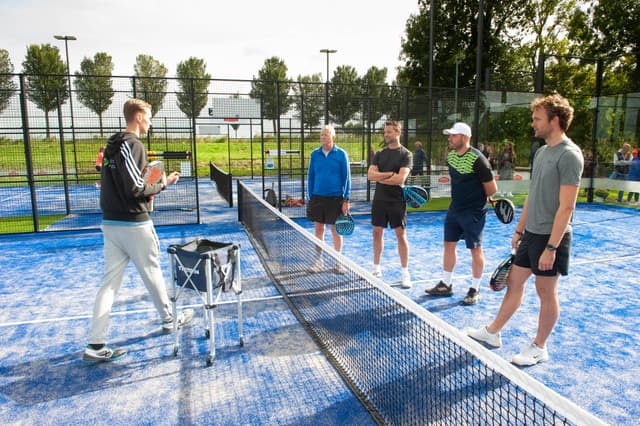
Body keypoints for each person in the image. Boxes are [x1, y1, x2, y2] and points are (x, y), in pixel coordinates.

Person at [464, 94, 584, 366]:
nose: (533, 123)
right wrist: (520, 229)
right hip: (531, 234)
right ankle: (493, 333)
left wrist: (552, 247)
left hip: (552, 236)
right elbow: (533, 193)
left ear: (555, 120)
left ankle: (539, 346)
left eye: (537, 118)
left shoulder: (569, 155)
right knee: (514, 284)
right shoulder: (541, 152)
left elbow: (566, 207)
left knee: (546, 291)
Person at [83, 99, 193, 363]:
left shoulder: (112, 147)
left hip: (110, 223)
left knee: (108, 285)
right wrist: (163, 183)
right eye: (149, 117)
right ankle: (169, 319)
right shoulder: (133, 145)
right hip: (133, 224)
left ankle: (95, 344)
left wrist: (152, 185)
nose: (151, 122)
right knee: (152, 272)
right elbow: (136, 188)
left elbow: (127, 182)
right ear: (140, 116)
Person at [425, 122, 497, 305]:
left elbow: (491, 190)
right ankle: (446, 284)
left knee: (475, 250)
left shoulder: (478, 159)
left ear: (464, 138)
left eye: (454, 135)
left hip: (473, 212)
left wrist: (480, 198)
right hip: (455, 209)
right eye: (450, 135)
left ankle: (475, 288)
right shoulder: (451, 157)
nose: (450, 138)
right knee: (448, 245)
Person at [368, 120, 413, 288]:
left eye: (389, 132)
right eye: (384, 132)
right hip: (379, 200)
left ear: (397, 133)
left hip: (397, 201)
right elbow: (370, 175)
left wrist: (382, 176)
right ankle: (376, 268)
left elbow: (401, 179)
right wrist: (389, 175)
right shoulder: (379, 154)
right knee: (376, 232)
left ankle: (405, 273)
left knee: (400, 235)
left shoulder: (406, 155)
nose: (386, 135)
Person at [306, 125, 351, 272]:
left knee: (335, 231)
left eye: (326, 135)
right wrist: (310, 197)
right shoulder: (314, 154)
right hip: (317, 198)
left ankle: (338, 262)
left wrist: (346, 199)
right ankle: (318, 261)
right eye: (321, 135)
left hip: (335, 199)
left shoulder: (341, 154)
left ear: (333, 137)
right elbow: (311, 176)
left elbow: (347, 178)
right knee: (319, 230)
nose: (323, 137)